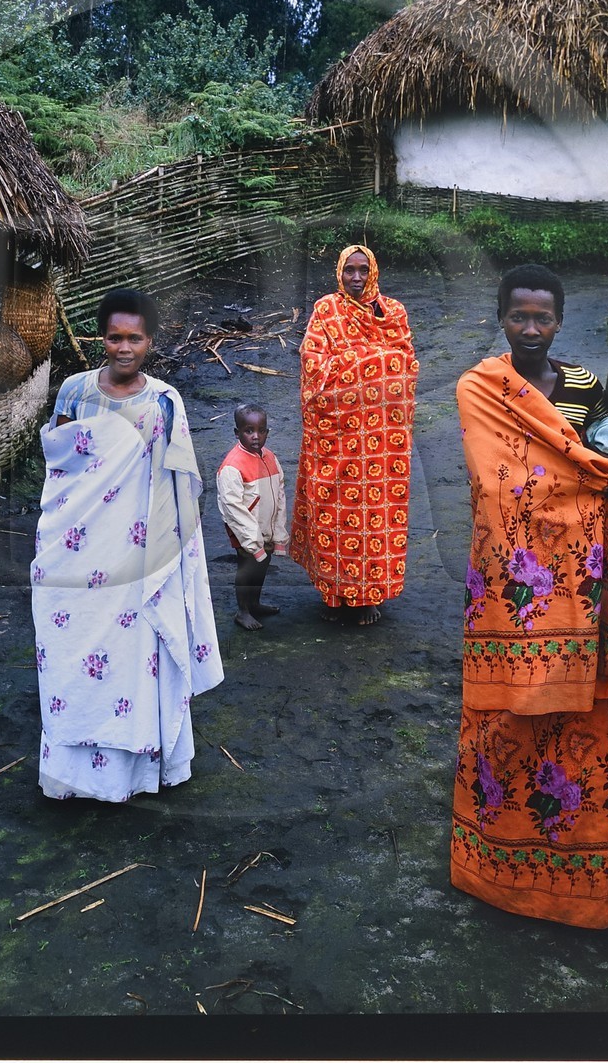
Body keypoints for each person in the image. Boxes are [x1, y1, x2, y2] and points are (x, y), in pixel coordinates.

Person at [451, 264, 608, 930]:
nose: (531, 328)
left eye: (543, 317)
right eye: (518, 316)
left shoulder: (586, 384)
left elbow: (607, 448)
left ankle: (603, 869)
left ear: (560, 321)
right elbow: (503, 485)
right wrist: (589, 487)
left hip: (596, 582)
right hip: (517, 580)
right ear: (500, 318)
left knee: (596, 715)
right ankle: (503, 866)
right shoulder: (480, 389)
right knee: (512, 715)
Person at [30, 288, 223, 802]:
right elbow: (63, 468)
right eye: (114, 337)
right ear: (102, 337)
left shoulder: (163, 402)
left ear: (150, 342)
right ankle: (75, 773)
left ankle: (134, 771)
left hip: (140, 556)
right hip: (80, 552)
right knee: (75, 656)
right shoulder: (73, 391)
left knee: (134, 660)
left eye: (134, 338)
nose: (123, 347)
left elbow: (179, 482)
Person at [288, 244, 419, 626]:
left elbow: (406, 365)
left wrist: (359, 363)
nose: (357, 279)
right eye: (350, 271)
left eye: (363, 270)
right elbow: (314, 366)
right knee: (333, 512)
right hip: (336, 436)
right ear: (339, 273)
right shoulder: (327, 310)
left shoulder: (393, 313)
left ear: (373, 271)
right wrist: (374, 362)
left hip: (380, 443)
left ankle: (367, 597)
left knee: (375, 517)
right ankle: (333, 593)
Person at [216, 403, 288, 632]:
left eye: (261, 430)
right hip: (246, 532)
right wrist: (252, 539)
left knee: (263, 565)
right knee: (247, 568)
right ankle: (243, 610)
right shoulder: (232, 467)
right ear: (237, 433)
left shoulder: (270, 458)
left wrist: (277, 530)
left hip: (266, 525)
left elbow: (280, 493)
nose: (256, 436)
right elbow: (233, 508)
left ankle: (254, 603)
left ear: (267, 431)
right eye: (249, 431)